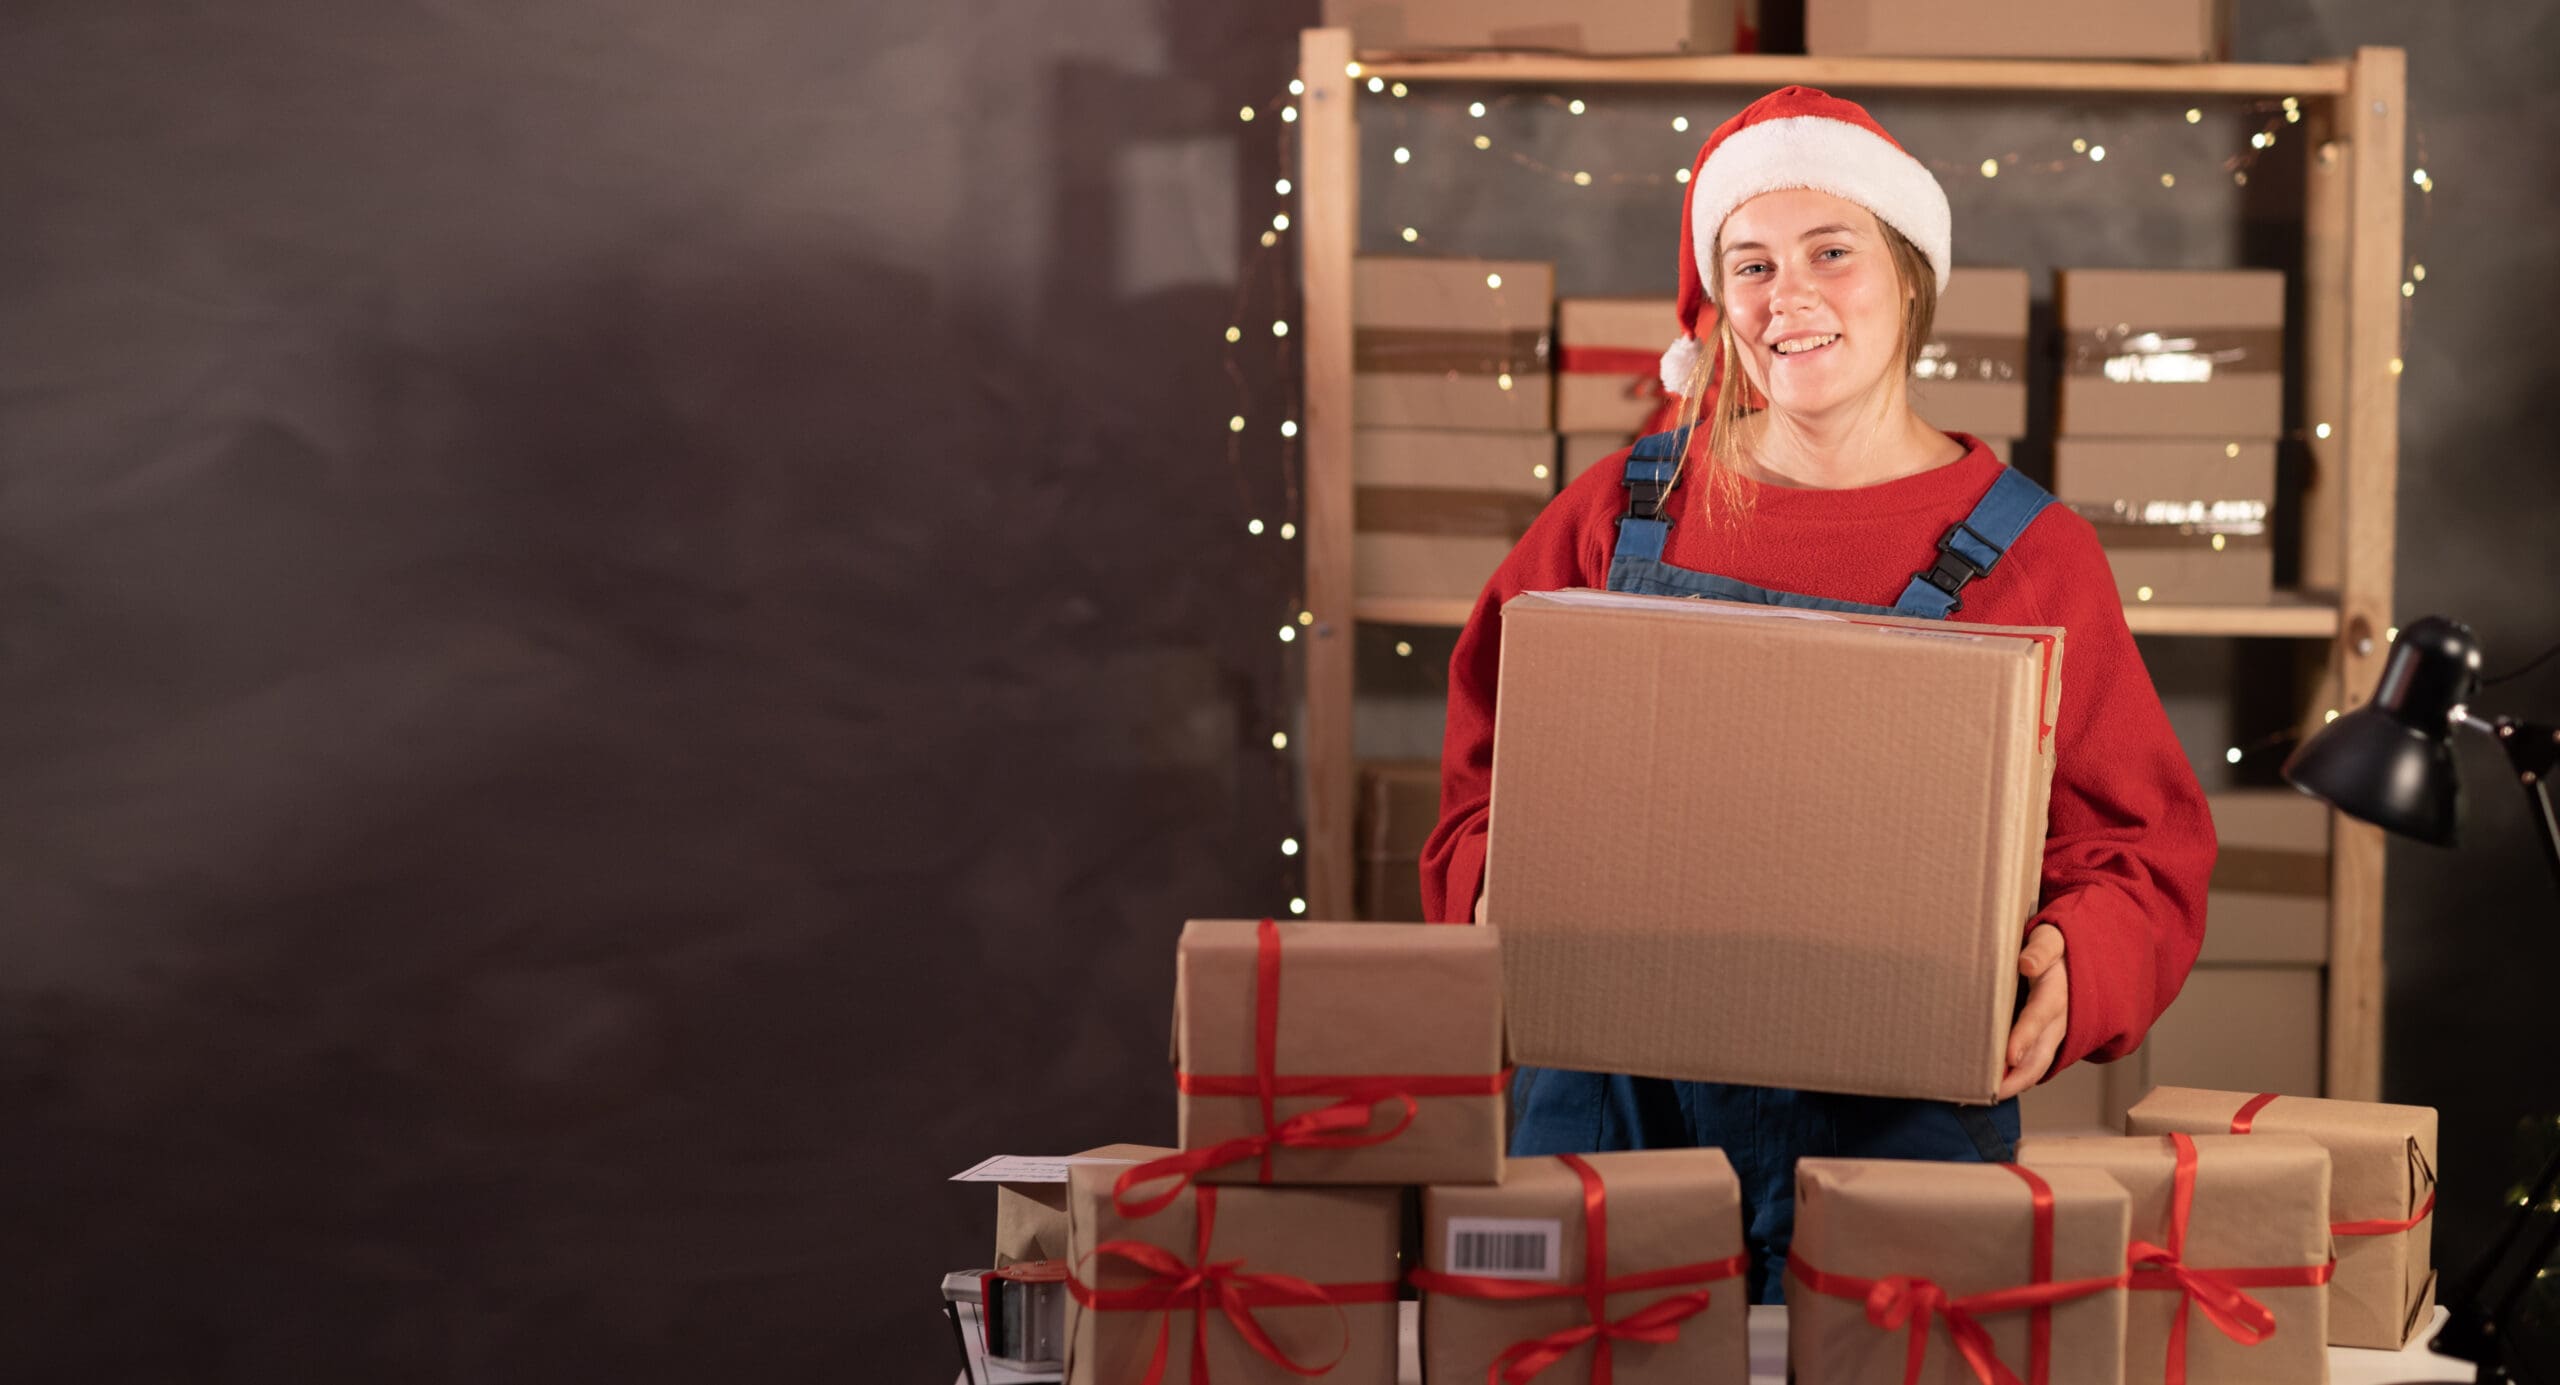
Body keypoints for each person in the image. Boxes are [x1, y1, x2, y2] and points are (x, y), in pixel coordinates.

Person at [1418, 86, 2216, 1303]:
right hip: (1605, 1110)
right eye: (1749, 263)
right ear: (1717, 303)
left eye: (1829, 252)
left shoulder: (2031, 554)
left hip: (1899, 1128)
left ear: (1907, 276)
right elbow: (1481, 778)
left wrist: (2080, 954)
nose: (1784, 295)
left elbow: (2142, 846)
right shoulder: (1615, 512)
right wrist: (1496, 888)